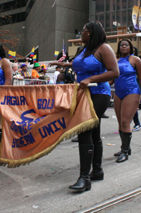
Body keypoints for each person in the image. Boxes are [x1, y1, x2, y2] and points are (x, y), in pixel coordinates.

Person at [50, 21, 119, 192]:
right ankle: (97, 170)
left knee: (84, 130)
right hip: (82, 94)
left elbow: (114, 72)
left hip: (99, 94)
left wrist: (90, 79)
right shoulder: (84, 50)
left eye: (83, 31)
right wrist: (65, 65)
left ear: (91, 33)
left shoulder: (103, 48)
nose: (81, 33)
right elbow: (79, 65)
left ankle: (84, 178)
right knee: (94, 132)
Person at [111, 39, 141, 163]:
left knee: (126, 122)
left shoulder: (135, 60)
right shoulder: (115, 61)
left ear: (131, 48)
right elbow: (111, 79)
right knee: (120, 122)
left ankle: (125, 152)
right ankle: (125, 148)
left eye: (126, 45)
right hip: (118, 92)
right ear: (119, 48)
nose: (124, 46)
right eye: (121, 45)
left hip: (132, 91)